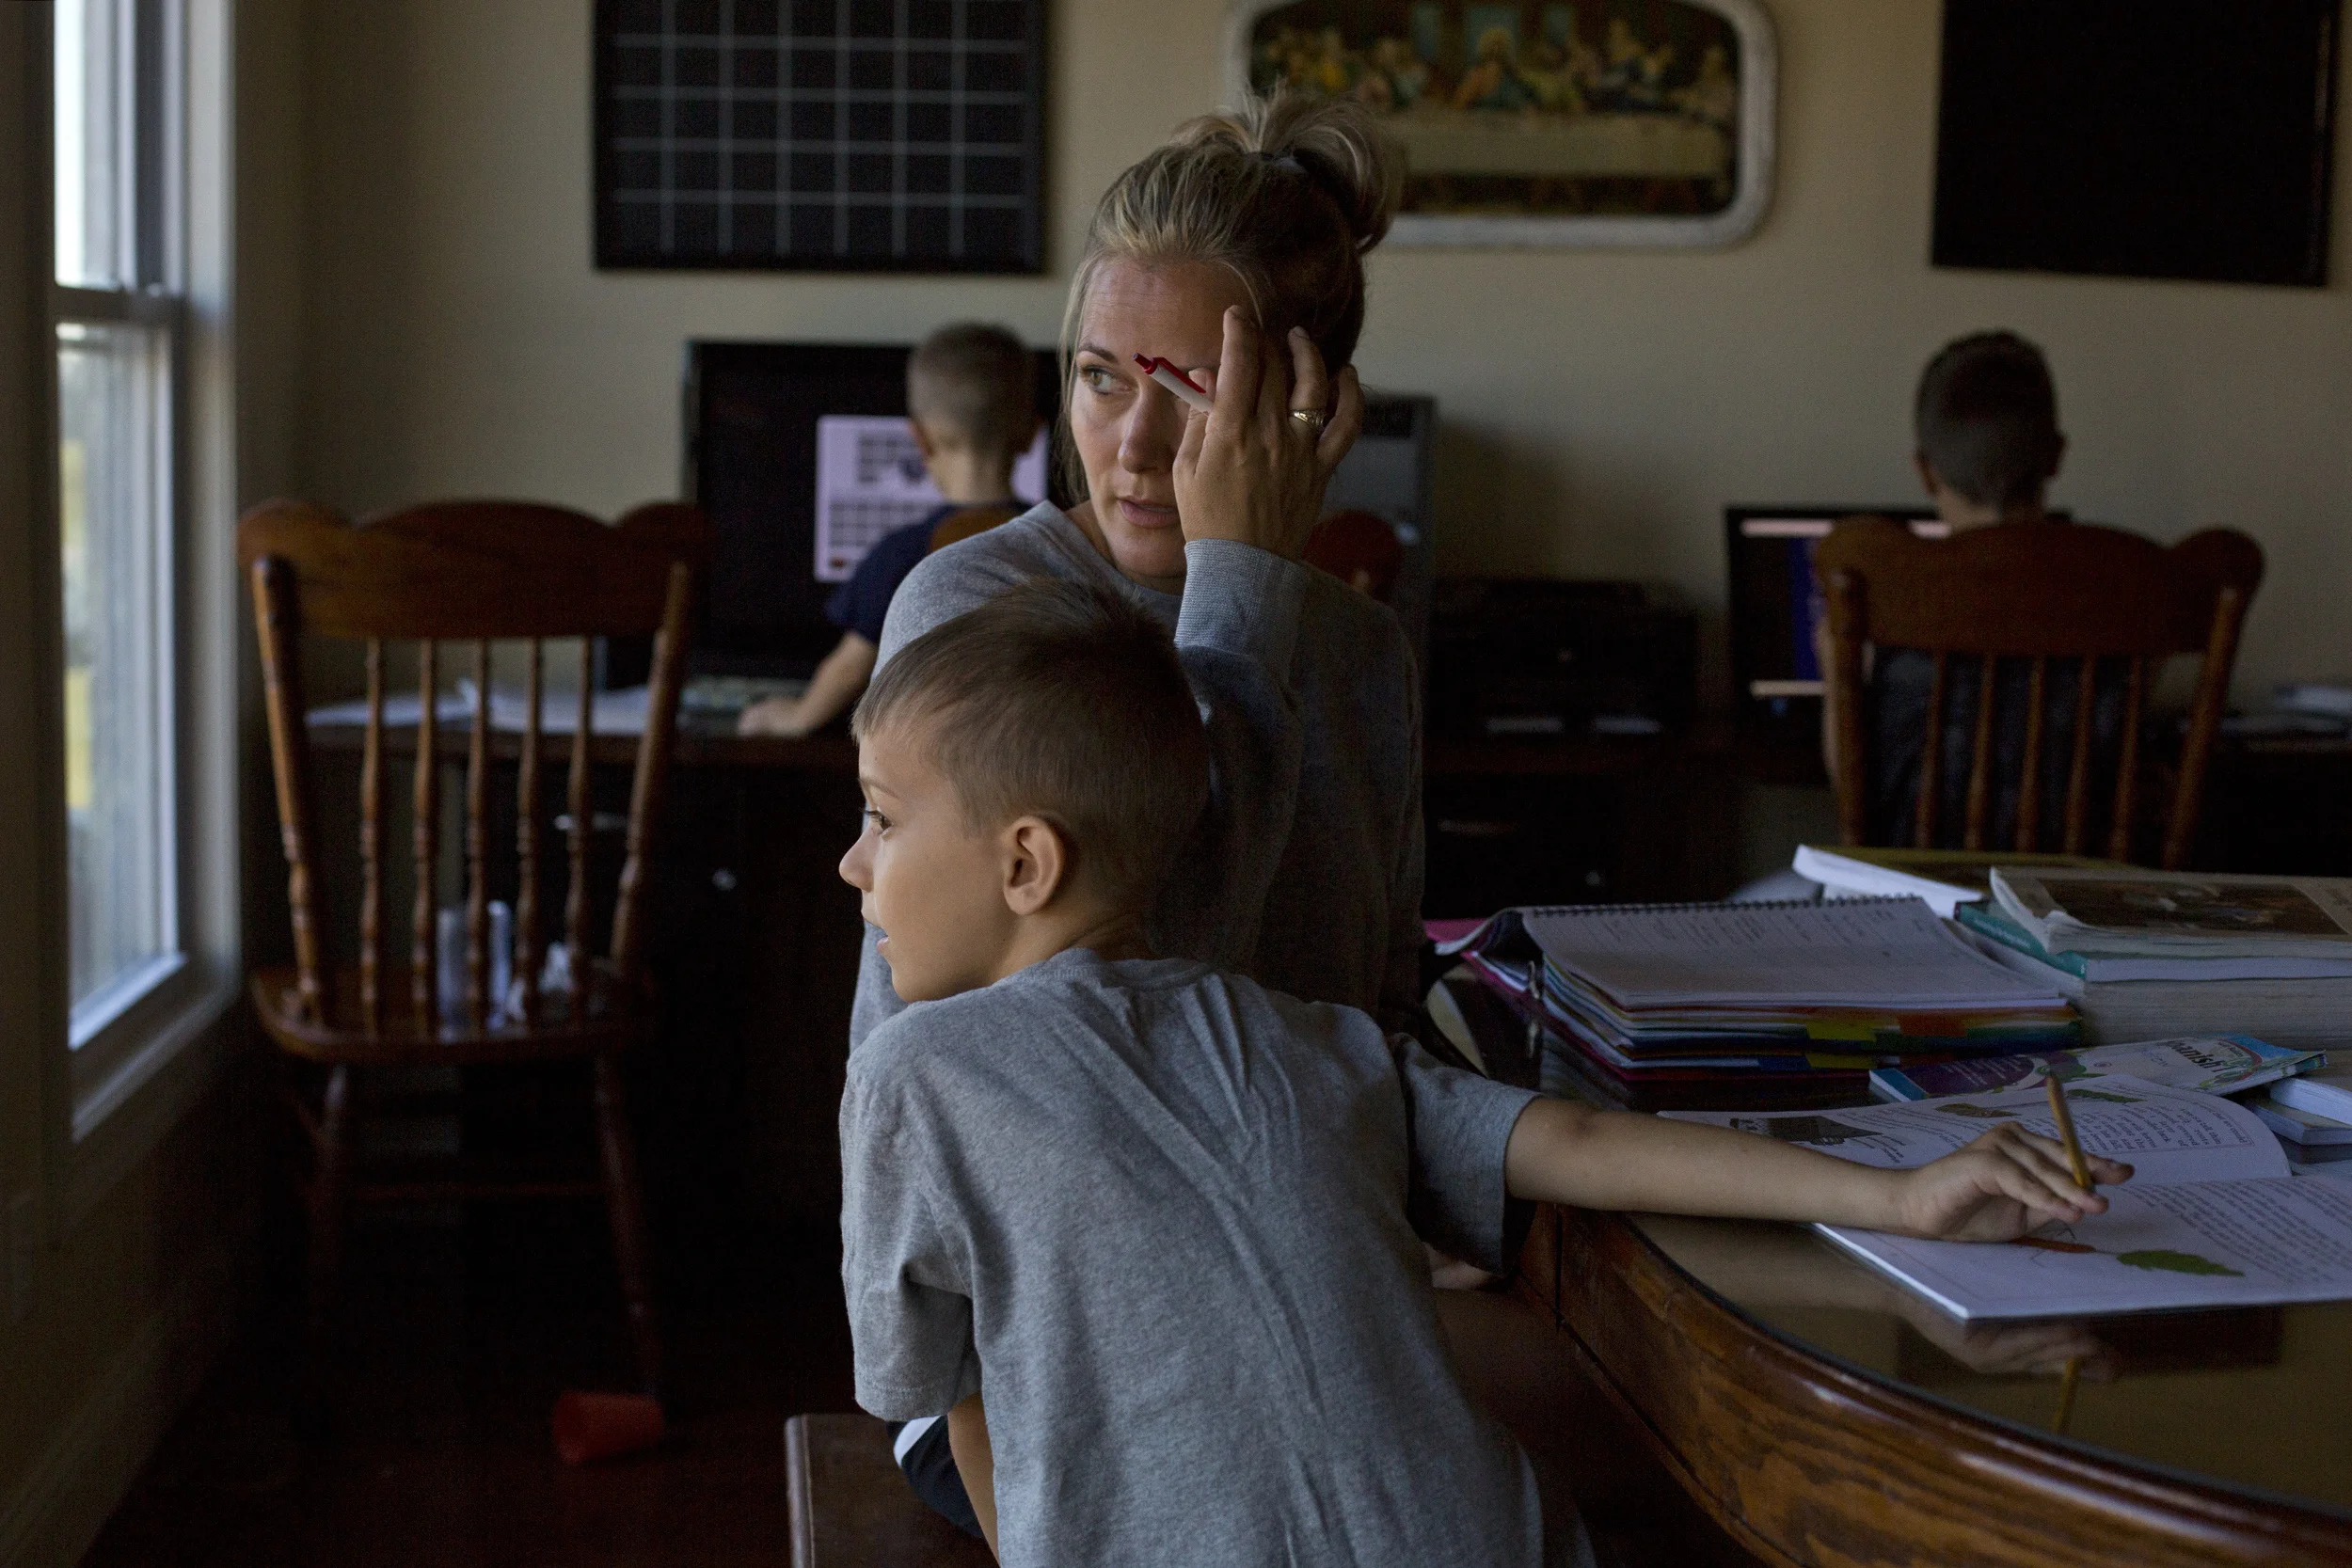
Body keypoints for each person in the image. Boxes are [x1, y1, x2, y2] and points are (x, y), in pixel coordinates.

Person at [837, 578, 2133, 1568]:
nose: (855, 862)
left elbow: (944, 1399)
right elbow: (1573, 1138)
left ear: (1025, 862)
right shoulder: (1308, 1032)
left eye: (882, 817)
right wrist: (1906, 1191)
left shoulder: (913, 1073)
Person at [850, 87, 1423, 1528]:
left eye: (1191, 386)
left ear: (1310, 401)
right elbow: (1160, 991)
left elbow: (1351, 1009)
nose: (1136, 440)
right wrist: (1239, 592)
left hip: (1289, 1292)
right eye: (1104, 377)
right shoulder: (975, 609)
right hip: (1029, 1342)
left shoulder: (1362, 655)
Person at [1817, 329, 2124, 851]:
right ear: (2056, 456)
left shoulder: (1880, 594)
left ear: (1924, 471)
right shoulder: (2128, 593)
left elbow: (1854, 798)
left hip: (1911, 905)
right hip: (2067, 907)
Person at [737, 322, 1037, 738]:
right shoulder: (1059, 542)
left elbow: (850, 669)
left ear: (920, 439)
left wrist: (792, 716)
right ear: (1031, 433)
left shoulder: (901, 554)